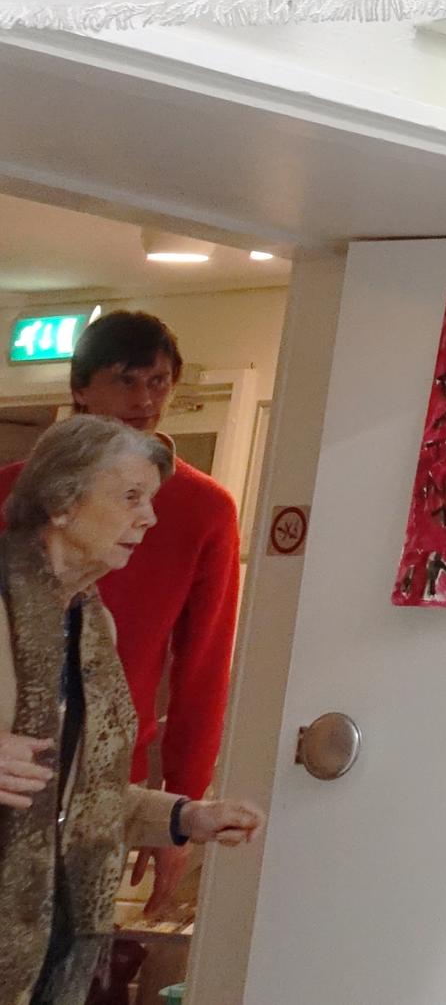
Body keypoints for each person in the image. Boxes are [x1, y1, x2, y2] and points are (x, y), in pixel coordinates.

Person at [0, 416, 262, 1000]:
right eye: (130, 497)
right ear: (62, 503)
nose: (149, 517)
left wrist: (186, 816)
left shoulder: (91, 626)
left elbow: (81, 794)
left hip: (44, 943)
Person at [0, 313, 243, 919]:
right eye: (126, 381)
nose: (144, 400)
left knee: (71, 942)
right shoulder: (13, 493)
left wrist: (181, 805)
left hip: (105, 778)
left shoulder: (204, 509)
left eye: (158, 383)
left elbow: (203, 667)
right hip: (19, 773)